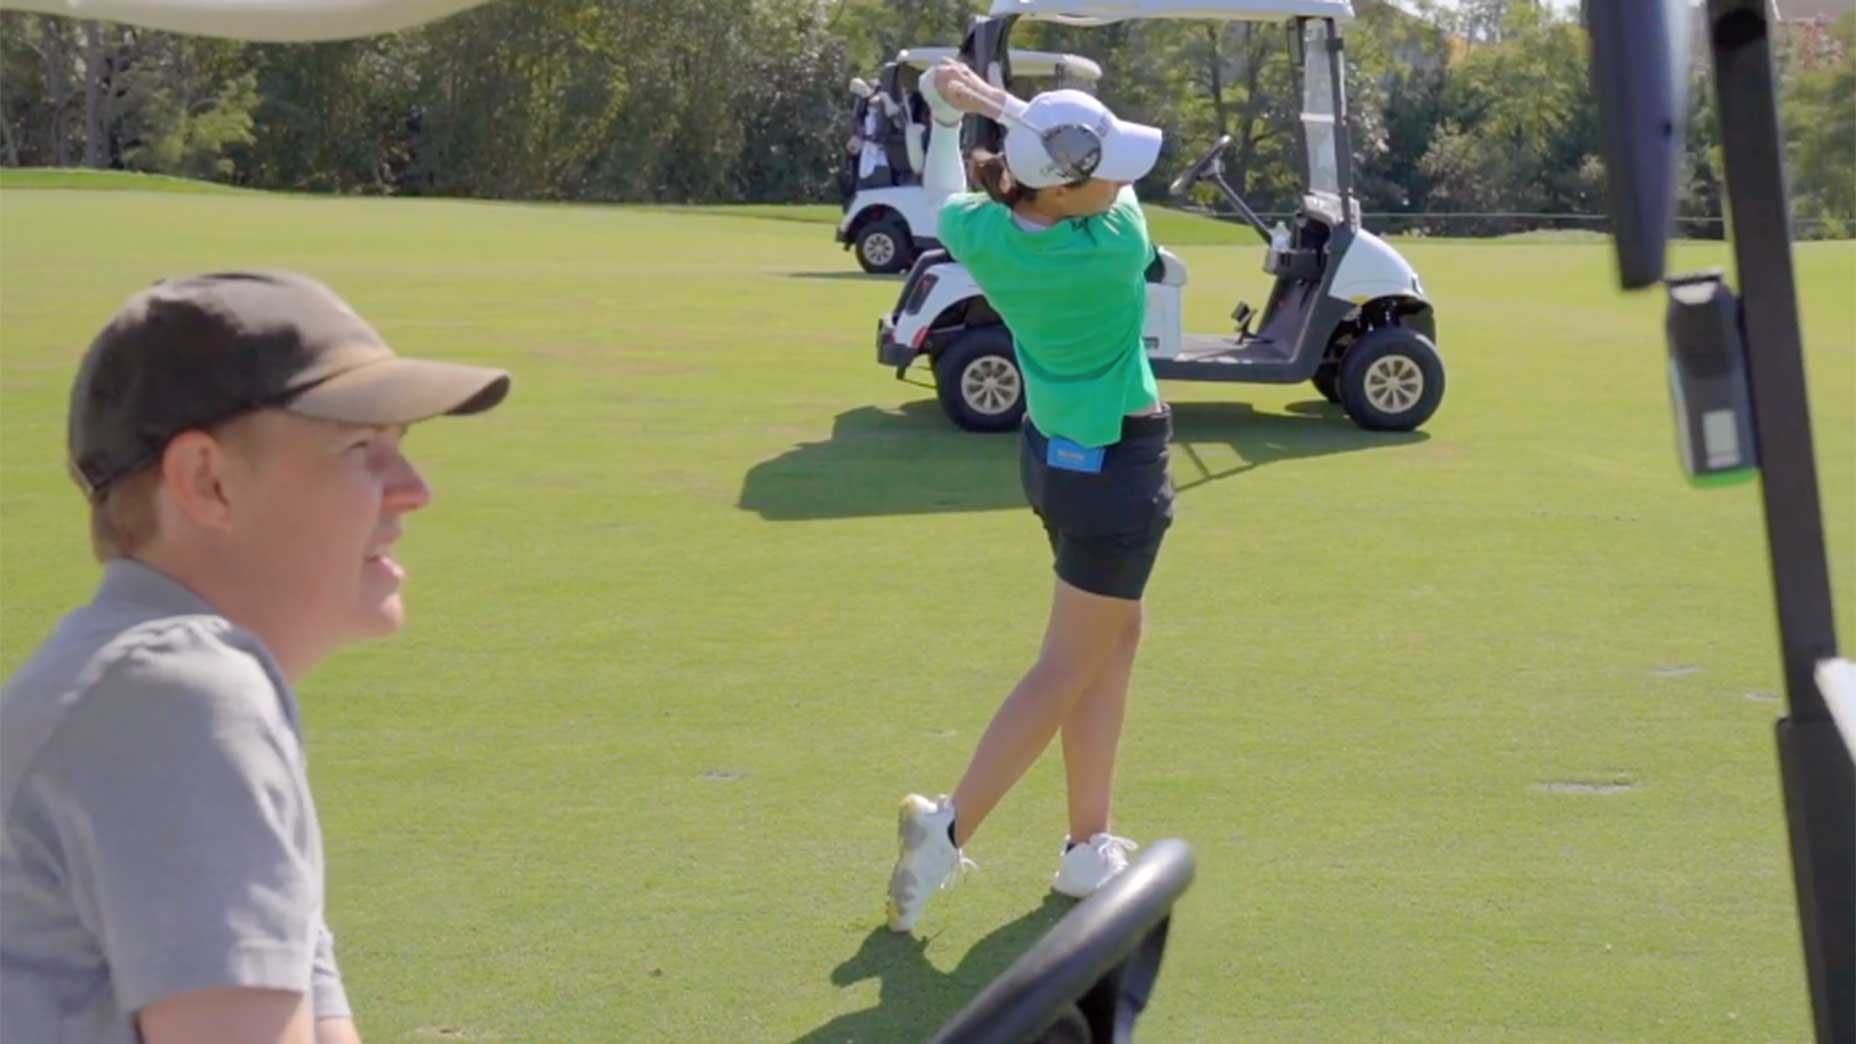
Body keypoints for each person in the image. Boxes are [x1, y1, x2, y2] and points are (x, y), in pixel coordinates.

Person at [0, 271, 511, 1043]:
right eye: (362, 446)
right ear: (208, 482)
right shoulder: (176, 699)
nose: (414, 490)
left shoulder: (151, 683)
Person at [885, 62, 1174, 933]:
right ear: (1070, 189)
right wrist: (1001, 105)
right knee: (1066, 664)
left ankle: (1090, 848)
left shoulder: (986, 231)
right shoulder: (1118, 244)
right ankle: (948, 828)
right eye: (1108, 167)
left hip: (1052, 460)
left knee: (1112, 639)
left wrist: (956, 113)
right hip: (1119, 470)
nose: (1125, 177)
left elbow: (960, 182)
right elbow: (1101, 184)